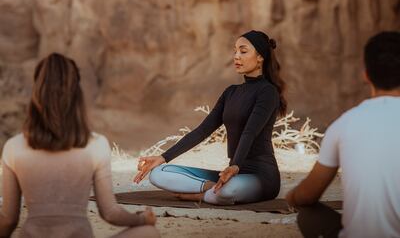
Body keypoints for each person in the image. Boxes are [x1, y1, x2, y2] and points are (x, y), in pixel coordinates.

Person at [0, 53, 160, 238]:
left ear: (37, 93)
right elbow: (110, 213)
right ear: (77, 94)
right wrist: (142, 219)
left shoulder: (15, 147)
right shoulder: (95, 145)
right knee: (148, 233)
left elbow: (8, 220)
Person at [134, 30, 287, 205]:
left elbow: (249, 132)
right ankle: (211, 189)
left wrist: (235, 166)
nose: (236, 56)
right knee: (158, 174)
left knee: (228, 192)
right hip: (229, 174)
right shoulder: (231, 92)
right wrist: (163, 157)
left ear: (260, 57)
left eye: (243, 51)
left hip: (261, 176)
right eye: (235, 51)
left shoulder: (268, 92)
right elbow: (202, 131)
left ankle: (205, 194)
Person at [285, 31, 400, 238]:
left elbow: (307, 195)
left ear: (365, 74)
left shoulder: (345, 123)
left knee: (308, 215)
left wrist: (292, 196)